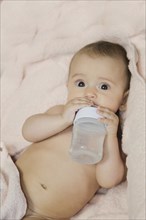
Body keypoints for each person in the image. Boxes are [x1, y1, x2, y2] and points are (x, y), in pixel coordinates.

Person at [16, 41, 131, 220]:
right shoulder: (59, 114)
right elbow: (28, 131)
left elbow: (109, 180)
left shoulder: (112, 140)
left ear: (123, 100)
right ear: (68, 86)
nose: (90, 93)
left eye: (104, 87)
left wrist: (110, 137)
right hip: (11, 187)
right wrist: (62, 119)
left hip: (42, 214)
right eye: (81, 83)